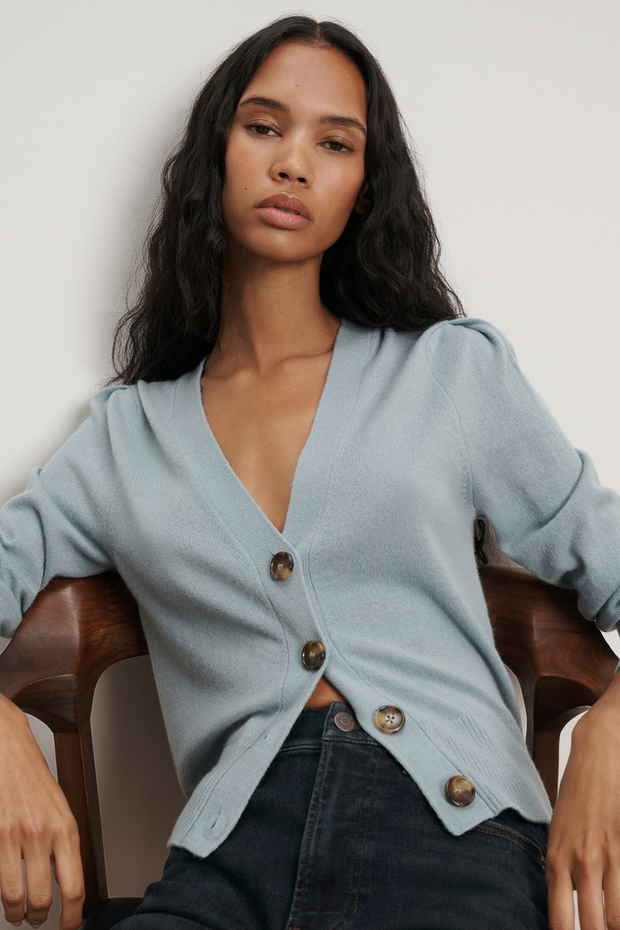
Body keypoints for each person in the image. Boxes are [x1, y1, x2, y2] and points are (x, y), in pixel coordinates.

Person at [1, 14, 620, 930]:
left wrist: (607, 725)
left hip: (457, 841)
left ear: (364, 190)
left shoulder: (451, 373)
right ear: (218, 154)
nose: (294, 162)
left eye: (335, 142)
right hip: (226, 867)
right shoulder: (123, 440)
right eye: (264, 127)